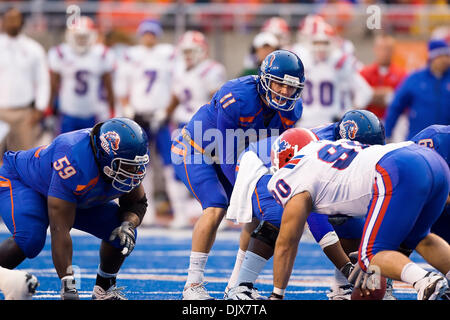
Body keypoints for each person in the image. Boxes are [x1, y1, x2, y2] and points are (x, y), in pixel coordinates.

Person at [171, 50, 305, 300]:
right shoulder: (237, 97)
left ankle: (237, 284)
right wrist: (241, 195)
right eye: (279, 84)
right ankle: (192, 285)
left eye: (291, 87)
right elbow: (226, 154)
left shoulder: (291, 111)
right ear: (264, 79)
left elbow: (278, 152)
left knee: (255, 213)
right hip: (198, 150)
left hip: (236, 156)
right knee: (216, 206)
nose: (285, 93)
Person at [225, 110, 388, 300]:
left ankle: (341, 288)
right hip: (263, 164)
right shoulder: (318, 149)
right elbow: (314, 216)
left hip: (296, 169)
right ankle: (240, 288)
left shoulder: (343, 148)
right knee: (279, 216)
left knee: (350, 220)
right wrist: (348, 268)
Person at [268, 138, 450, 300]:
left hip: (398, 168)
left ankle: (425, 281)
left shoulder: (293, 178)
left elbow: (287, 243)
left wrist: (277, 294)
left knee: (370, 254)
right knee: (419, 238)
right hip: (432, 161)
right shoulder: (320, 147)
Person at [0, 117, 150, 300]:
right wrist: (68, 286)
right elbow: (59, 229)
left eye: (137, 166)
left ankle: (104, 289)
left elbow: (137, 203)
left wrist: (128, 224)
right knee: (30, 239)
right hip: (24, 182)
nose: (134, 174)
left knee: (120, 232)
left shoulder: (117, 163)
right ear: (104, 157)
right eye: (127, 166)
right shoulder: (73, 158)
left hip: (73, 195)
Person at [115, 19, 175, 226]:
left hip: (161, 116)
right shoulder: (131, 55)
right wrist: (128, 108)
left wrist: (166, 110)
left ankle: (180, 211)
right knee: (140, 164)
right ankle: (144, 210)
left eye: (152, 33)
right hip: (138, 116)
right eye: (146, 33)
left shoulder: (167, 54)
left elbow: (176, 84)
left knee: (169, 162)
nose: (149, 37)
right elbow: (122, 85)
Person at [164, 30, 226, 228]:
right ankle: (180, 214)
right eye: (186, 51)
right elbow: (176, 96)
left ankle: (218, 211)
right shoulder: (179, 68)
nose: (188, 55)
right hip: (184, 125)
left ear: (203, 51)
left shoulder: (213, 70)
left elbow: (218, 101)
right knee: (177, 168)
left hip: (206, 126)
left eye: (192, 50)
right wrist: (164, 114)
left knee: (214, 169)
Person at [291, 15, 373, 129]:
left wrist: (349, 114)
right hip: (305, 122)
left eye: (324, 43)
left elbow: (365, 92)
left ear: (332, 43)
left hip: (331, 123)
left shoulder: (340, 62)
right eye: (317, 43)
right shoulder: (301, 59)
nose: (320, 47)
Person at [47, 16, 115, 134]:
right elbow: (53, 85)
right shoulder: (60, 53)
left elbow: (109, 86)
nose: (81, 40)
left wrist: (112, 110)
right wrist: (49, 108)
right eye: (78, 36)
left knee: (92, 149)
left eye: (84, 36)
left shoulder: (102, 54)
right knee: (64, 149)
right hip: (67, 112)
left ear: (92, 35)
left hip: (92, 113)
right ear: (70, 36)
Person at [0, 7, 50, 153]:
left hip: (24, 113)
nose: (12, 23)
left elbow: (43, 81)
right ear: (3, 22)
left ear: (22, 22)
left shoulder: (34, 49)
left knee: (24, 159)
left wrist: (40, 108)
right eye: (9, 19)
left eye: (16, 19)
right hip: (0, 110)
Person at [384, 39, 450, 141]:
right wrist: (387, 133)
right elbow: (396, 106)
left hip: (446, 142)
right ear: (432, 57)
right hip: (418, 139)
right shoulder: (415, 78)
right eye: (442, 56)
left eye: (447, 56)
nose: (446, 60)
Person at [360, 34, 407, 120]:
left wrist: (371, 95)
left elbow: (399, 100)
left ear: (393, 51)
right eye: (381, 48)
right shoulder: (364, 73)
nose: (384, 53)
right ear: (375, 49)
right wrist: (385, 95)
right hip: (368, 121)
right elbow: (359, 99)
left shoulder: (402, 75)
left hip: (394, 121)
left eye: (388, 49)